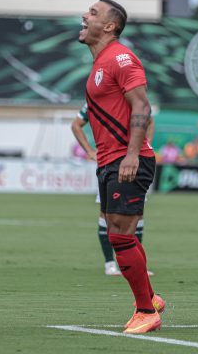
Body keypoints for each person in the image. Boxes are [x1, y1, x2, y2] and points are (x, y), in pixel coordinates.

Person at [78, 0, 163, 334]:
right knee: (118, 233)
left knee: (121, 234)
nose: (85, 16)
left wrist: (132, 153)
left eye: (93, 13)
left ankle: (146, 311)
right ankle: (150, 299)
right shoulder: (100, 63)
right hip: (110, 160)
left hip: (126, 159)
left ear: (110, 26)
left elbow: (142, 106)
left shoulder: (121, 58)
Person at [71, 102, 152, 277]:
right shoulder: (95, 100)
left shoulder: (133, 99)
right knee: (106, 215)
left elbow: (149, 120)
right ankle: (110, 264)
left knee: (137, 214)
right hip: (109, 164)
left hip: (134, 163)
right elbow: (76, 124)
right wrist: (89, 151)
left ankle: (137, 265)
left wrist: (145, 146)